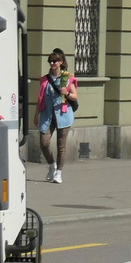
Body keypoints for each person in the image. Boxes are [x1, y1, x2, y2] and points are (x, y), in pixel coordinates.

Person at [38, 48, 78, 183]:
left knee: (61, 145)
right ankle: (51, 165)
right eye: (50, 61)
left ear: (61, 62)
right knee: (44, 143)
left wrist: (66, 93)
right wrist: (36, 114)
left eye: (55, 61)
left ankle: (58, 173)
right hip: (47, 115)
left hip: (63, 115)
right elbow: (40, 98)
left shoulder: (68, 78)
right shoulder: (44, 79)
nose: (52, 63)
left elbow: (75, 96)